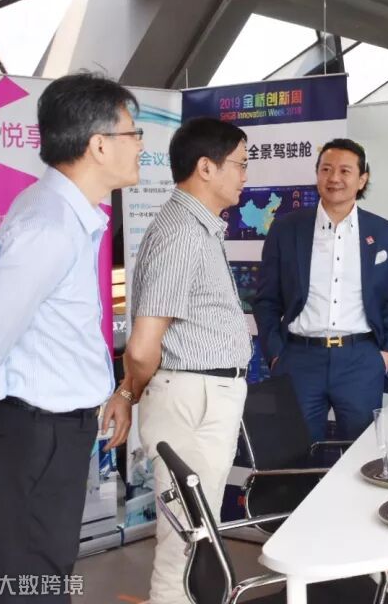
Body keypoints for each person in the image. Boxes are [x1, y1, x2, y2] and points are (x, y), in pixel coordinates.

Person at [0, 73, 143, 603]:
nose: (140, 146)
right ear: (99, 145)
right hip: (26, 439)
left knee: (43, 580)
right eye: (133, 133)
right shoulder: (48, 227)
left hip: (47, 436)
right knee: (27, 589)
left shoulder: (67, 216)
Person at [116, 117, 252, 604]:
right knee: (186, 546)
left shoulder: (198, 227)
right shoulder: (182, 233)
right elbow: (142, 345)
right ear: (206, 168)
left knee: (199, 538)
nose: (245, 175)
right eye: (240, 164)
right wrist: (128, 392)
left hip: (201, 394)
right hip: (191, 399)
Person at [254, 138, 388, 443]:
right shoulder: (286, 228)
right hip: (299, 359)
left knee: (362, 454)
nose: (334, 178)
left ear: (362, 179)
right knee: (295, 454)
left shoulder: (384, 232)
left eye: (345, 171)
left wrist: (387, 354)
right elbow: (266, 299)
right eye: (326, 169)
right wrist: (276, 355)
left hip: (360, 360)